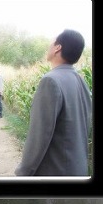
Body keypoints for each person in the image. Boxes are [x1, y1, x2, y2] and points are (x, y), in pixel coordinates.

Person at [15, 29, 92, 177]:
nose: (48, 47)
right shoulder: (81, 81)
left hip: (56, 172)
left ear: (58, 47)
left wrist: (24, 172)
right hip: (78, 170)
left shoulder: (51, 80)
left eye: (51, 42)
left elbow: (39, 135)